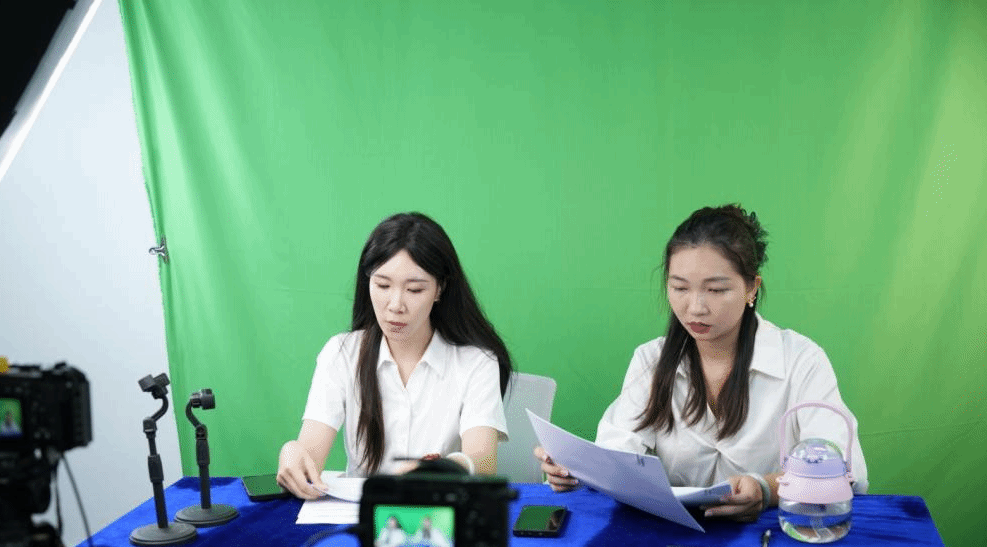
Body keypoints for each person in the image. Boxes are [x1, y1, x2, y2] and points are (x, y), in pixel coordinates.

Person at [537, 204, 868, 522]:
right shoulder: (651, 360)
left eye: (716, 290)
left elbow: (842, 470)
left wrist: (765, 489)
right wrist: (575, 469)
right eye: (679, 287)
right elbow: (618, 450)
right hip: (673, 535)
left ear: (752, 288)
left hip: (772, 535)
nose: (695, 307)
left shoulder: (801, 360)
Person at [277, 212, 513, 499]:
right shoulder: (342, 354)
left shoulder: (476, 362)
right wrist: (293, 452)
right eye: (382, 285)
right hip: (361, 517)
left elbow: (483, 463)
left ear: (440, 289)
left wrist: (442, 469)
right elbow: (310, 456)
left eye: (414, 289)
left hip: (438, 513)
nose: (395, 305)